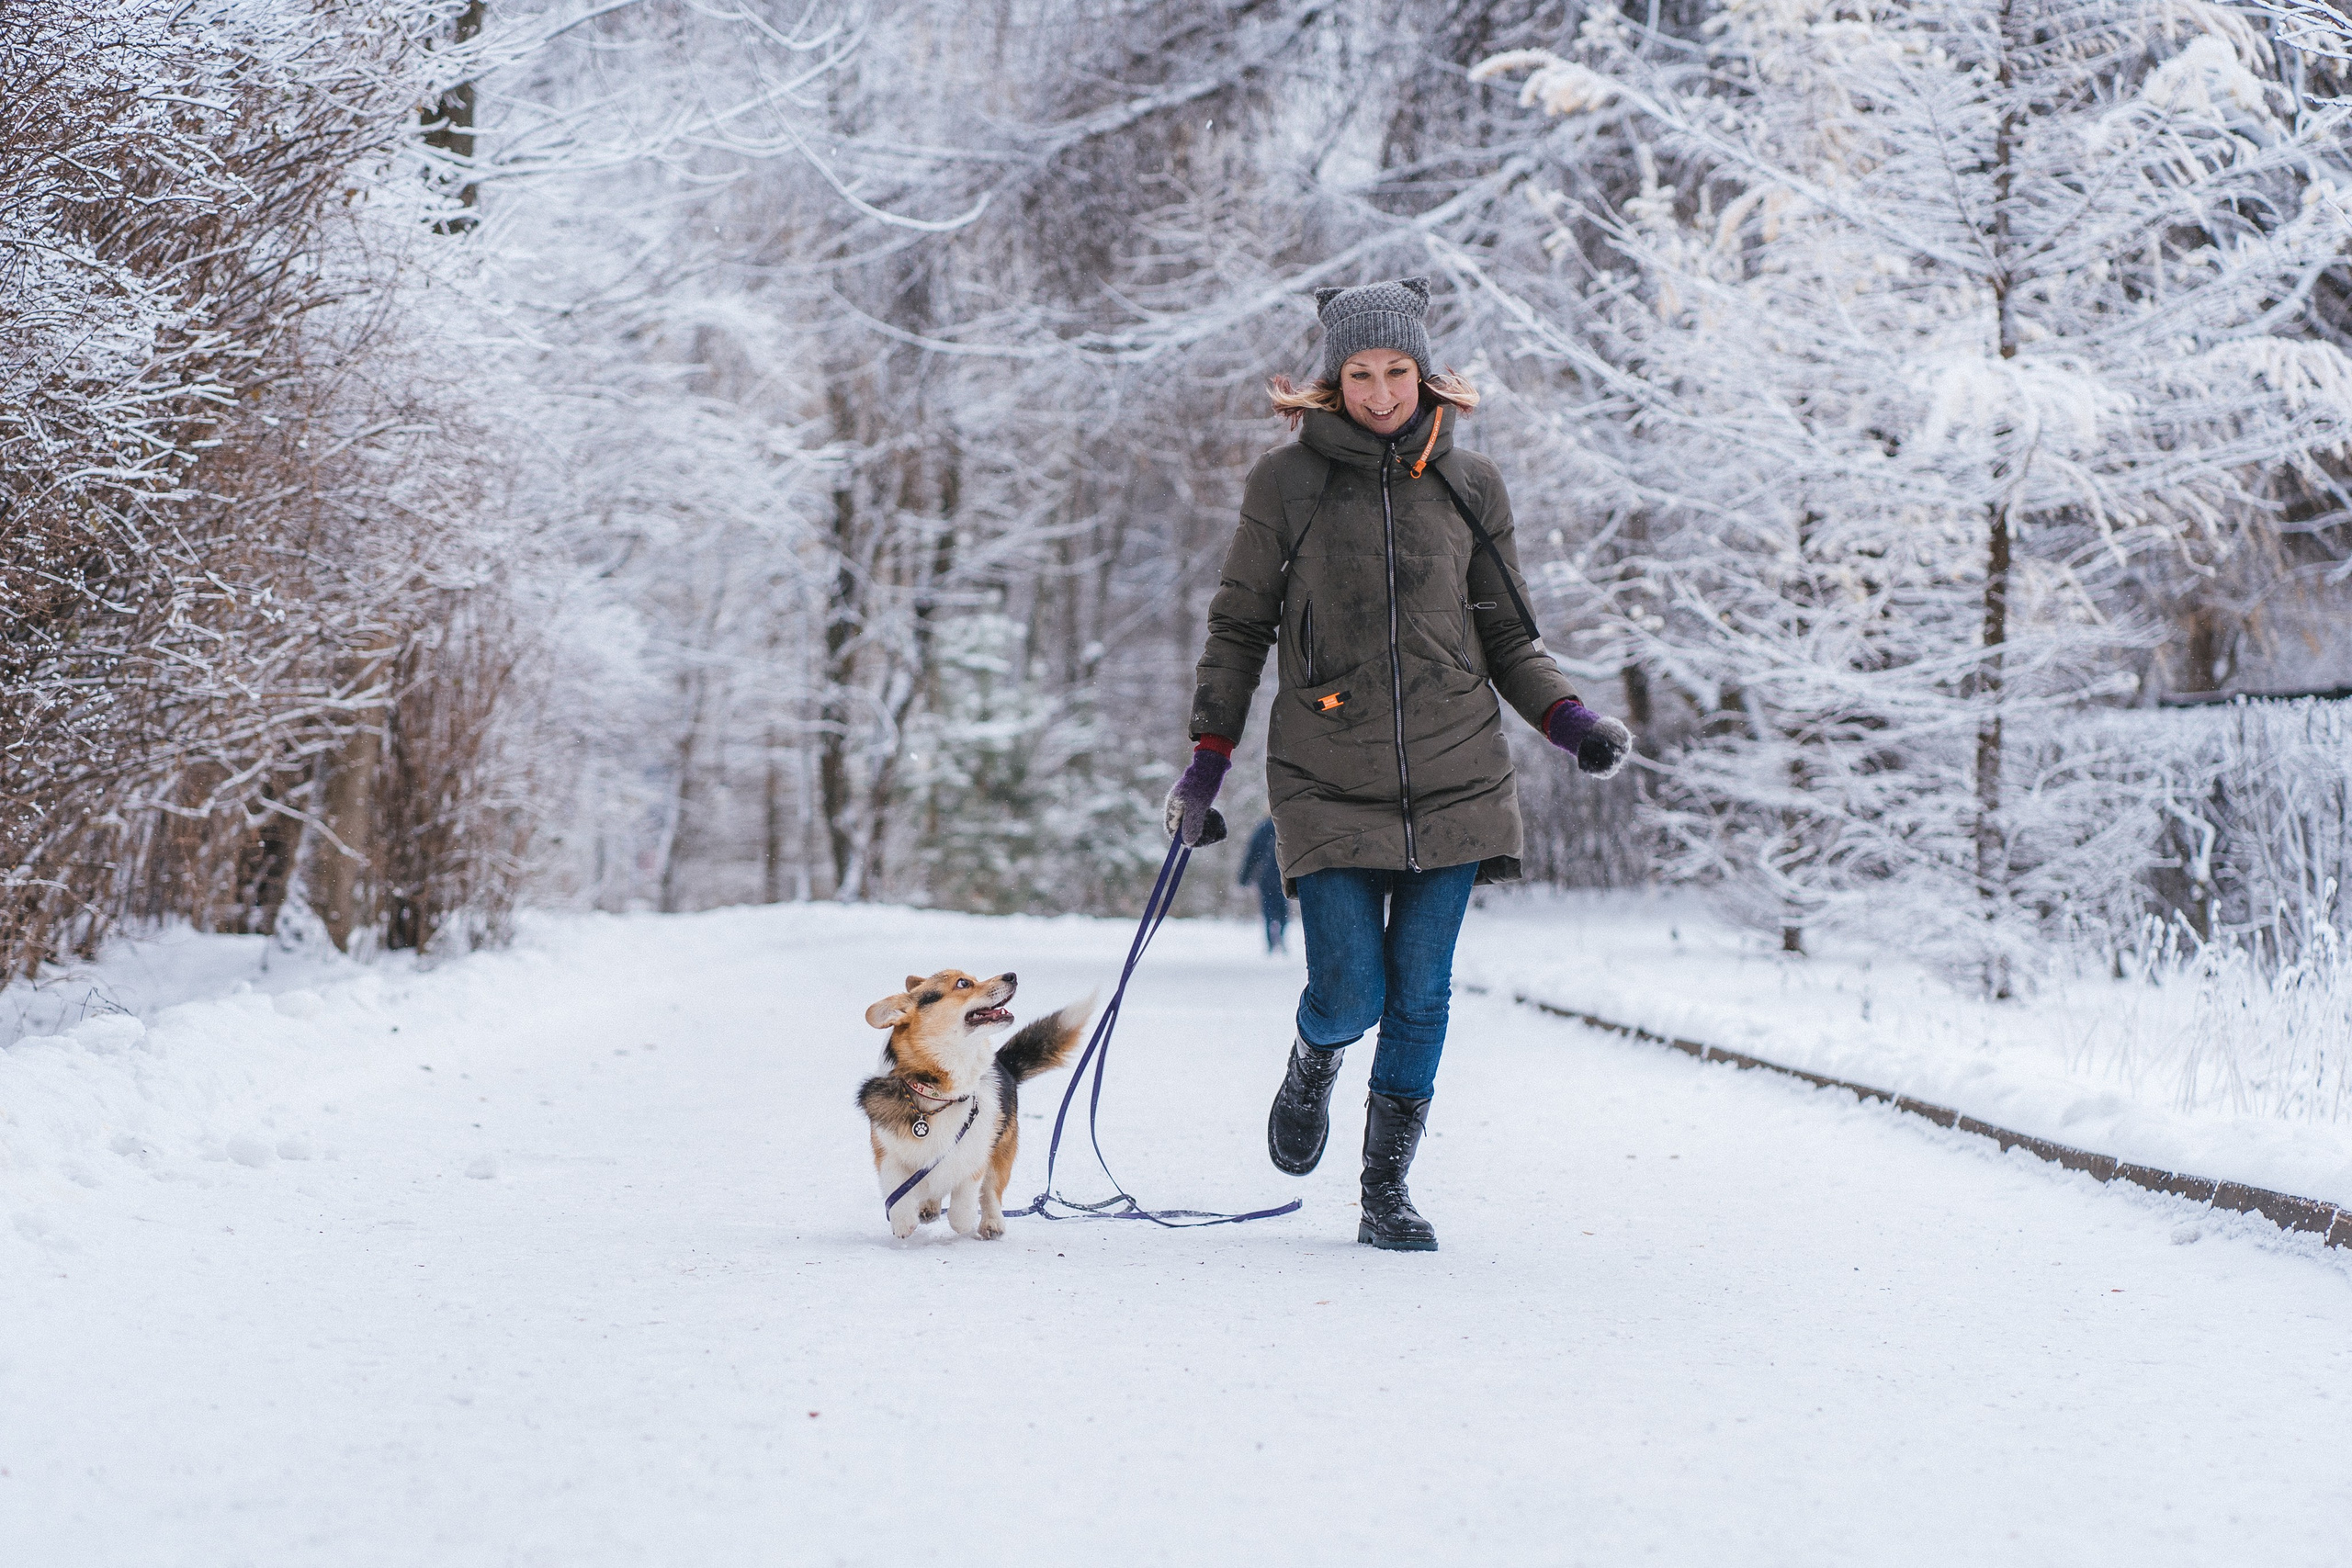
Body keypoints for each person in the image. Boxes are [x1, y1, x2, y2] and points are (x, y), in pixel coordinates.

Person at [1161, 277, 1633, 1251]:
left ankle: (1384, 1193)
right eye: (1361, 375)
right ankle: (1313, 1059)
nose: (1381, 393)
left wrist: (1570, 720)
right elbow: (1239, 626)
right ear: (1332, 383)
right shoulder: (1284, 485)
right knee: (1351, 993)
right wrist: (1206, 761)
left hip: (1459, 772)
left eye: (1398, 372)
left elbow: (1507, 632)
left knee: (1422, 990)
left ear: (1426, 374)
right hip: (1326, 776)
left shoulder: (1471, 484)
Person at [1238, 818, 1290, 953]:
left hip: (1266, 876)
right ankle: (1280, 935)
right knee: (1282, 908)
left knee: (1268, 908)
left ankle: (1271, 941)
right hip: (1284, 874)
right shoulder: (1286, 824)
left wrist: (1244, 877)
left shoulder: (1263, 827)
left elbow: (1252, 853)